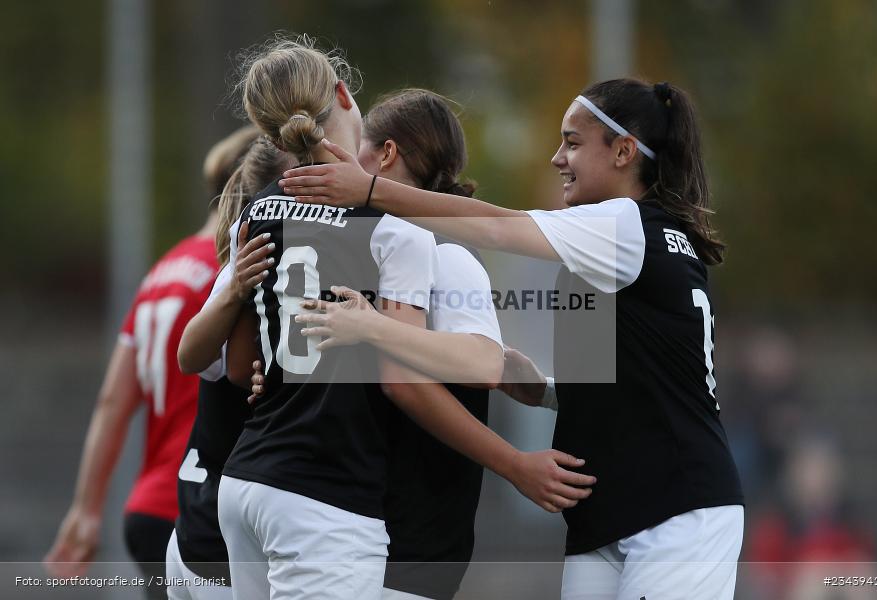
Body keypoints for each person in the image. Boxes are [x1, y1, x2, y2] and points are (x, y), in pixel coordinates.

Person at [281, 78, 745, 600]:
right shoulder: (622, 242)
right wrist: (542, 389)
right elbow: (640, 380)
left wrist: (369, 192)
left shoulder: (625, 224)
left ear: (623, 151)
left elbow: (496, 226)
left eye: (572, 142)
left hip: (674, 508)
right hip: (610, 510)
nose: (556, 158)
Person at [216, 36, 594, 600]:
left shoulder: (282, 215)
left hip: (294, 491)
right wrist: (515, 461)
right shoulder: (394, 235)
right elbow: (436, 374)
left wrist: (549, 394)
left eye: (363, 148)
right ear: (341, 97)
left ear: (386, 155)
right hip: (353, 511)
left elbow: (483, 362)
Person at [44, 126, 258, 599]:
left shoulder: (161, 272)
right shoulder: (232, 276)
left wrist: (86, 508)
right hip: (199, 503)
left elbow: (112, 401)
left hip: (146, 507)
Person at [165, 135, 290, 600]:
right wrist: (237, 288)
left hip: (210, 523)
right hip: (212, 532)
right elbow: (200, 359)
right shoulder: (247, 265)